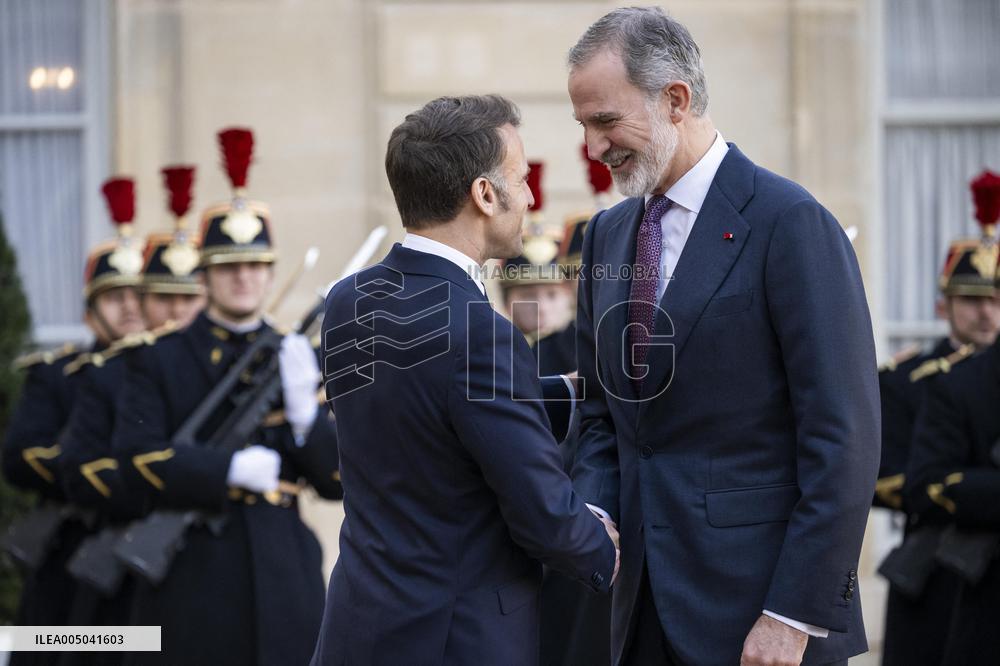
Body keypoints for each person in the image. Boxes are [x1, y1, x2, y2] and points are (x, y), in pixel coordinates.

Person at [567, 8, 879, 665]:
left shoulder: (790, 223)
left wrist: (792, 615)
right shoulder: (605, 234)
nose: (595, 147)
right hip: (636, 617)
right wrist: (595, 516)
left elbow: (842, 438)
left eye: (604, 122)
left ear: (674, 100)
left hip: (762, 625)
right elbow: (601, 415)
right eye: (584, 126)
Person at [312, 94, 618, 666]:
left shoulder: (350, 300)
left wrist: (570, 390)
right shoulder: (481, 331)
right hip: (457, 638)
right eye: (521, 179)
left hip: (362, 626)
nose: (528, 196)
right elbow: (545, 517)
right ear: (483, 195)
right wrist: (602, 543)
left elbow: (425, 411)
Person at [111, 128, 342, 666]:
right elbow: (133, 459)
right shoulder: (159, 358)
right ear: (206, 275)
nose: (244, 278)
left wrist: (308, 417)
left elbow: (336, 482)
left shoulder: (293, 355)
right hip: (194, 573)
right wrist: (224, 470)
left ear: (270, 272)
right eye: (229, 266)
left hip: (283, 566)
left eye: (255, 266)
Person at [2, 177, 146, 666]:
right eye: (113, 297)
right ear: (89, 315)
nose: (129, 307)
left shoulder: (158, 373)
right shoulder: (59, 375)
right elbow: (20, 456)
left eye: (136, 294)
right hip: (72, 543)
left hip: (135, 547)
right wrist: (83, 462)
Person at [877, 170, 1000, 666]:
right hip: (934, 564)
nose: (987, 314)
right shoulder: (907, 378)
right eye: (972, 300)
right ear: (942, 305)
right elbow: (883, 478)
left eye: (996, 299)